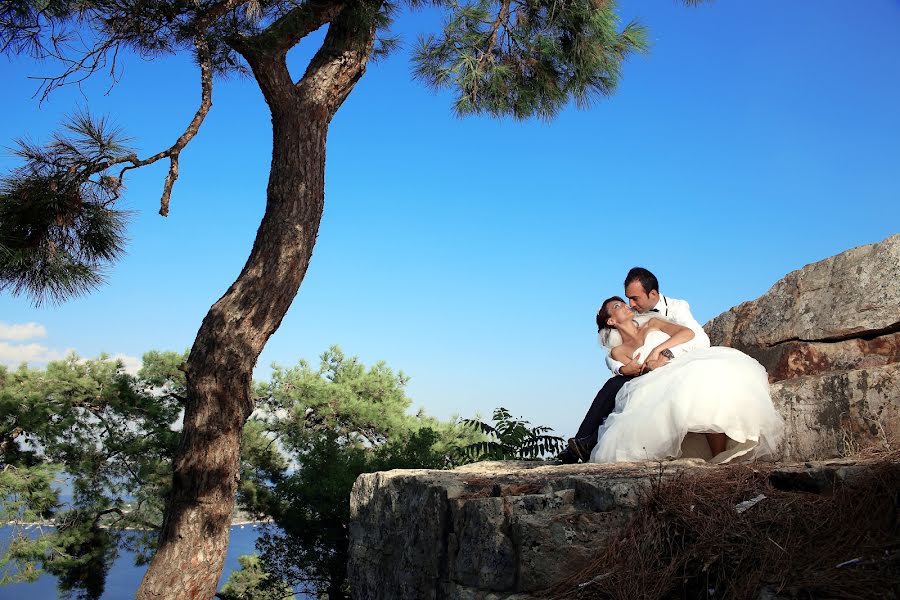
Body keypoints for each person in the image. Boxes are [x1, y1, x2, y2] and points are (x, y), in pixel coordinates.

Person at [588, 296, 783, 463]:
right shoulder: (619, 351)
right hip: (652, 380)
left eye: (623, 302)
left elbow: (687, 333)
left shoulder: (653, 323)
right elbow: (634, 372)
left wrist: (658, 350)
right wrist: (646, 366)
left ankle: (720, 456)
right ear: (611, 321)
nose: (625, 305)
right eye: (617, 307)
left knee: (705, 379)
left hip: (678, 364)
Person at [559, 267, 710, 463]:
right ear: (611, 321)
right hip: (647, 378)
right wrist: (622, 368)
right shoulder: (624, 340)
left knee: (619, 387)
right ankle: (582, 444)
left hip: (677, 369)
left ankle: (584, 443)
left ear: (652, 294)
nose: (629, 305)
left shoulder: (671, 312)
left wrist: (662, 353)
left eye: (633, 299)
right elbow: (613, 356)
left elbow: (696, 338)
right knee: (619, 386)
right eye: (623, 302)